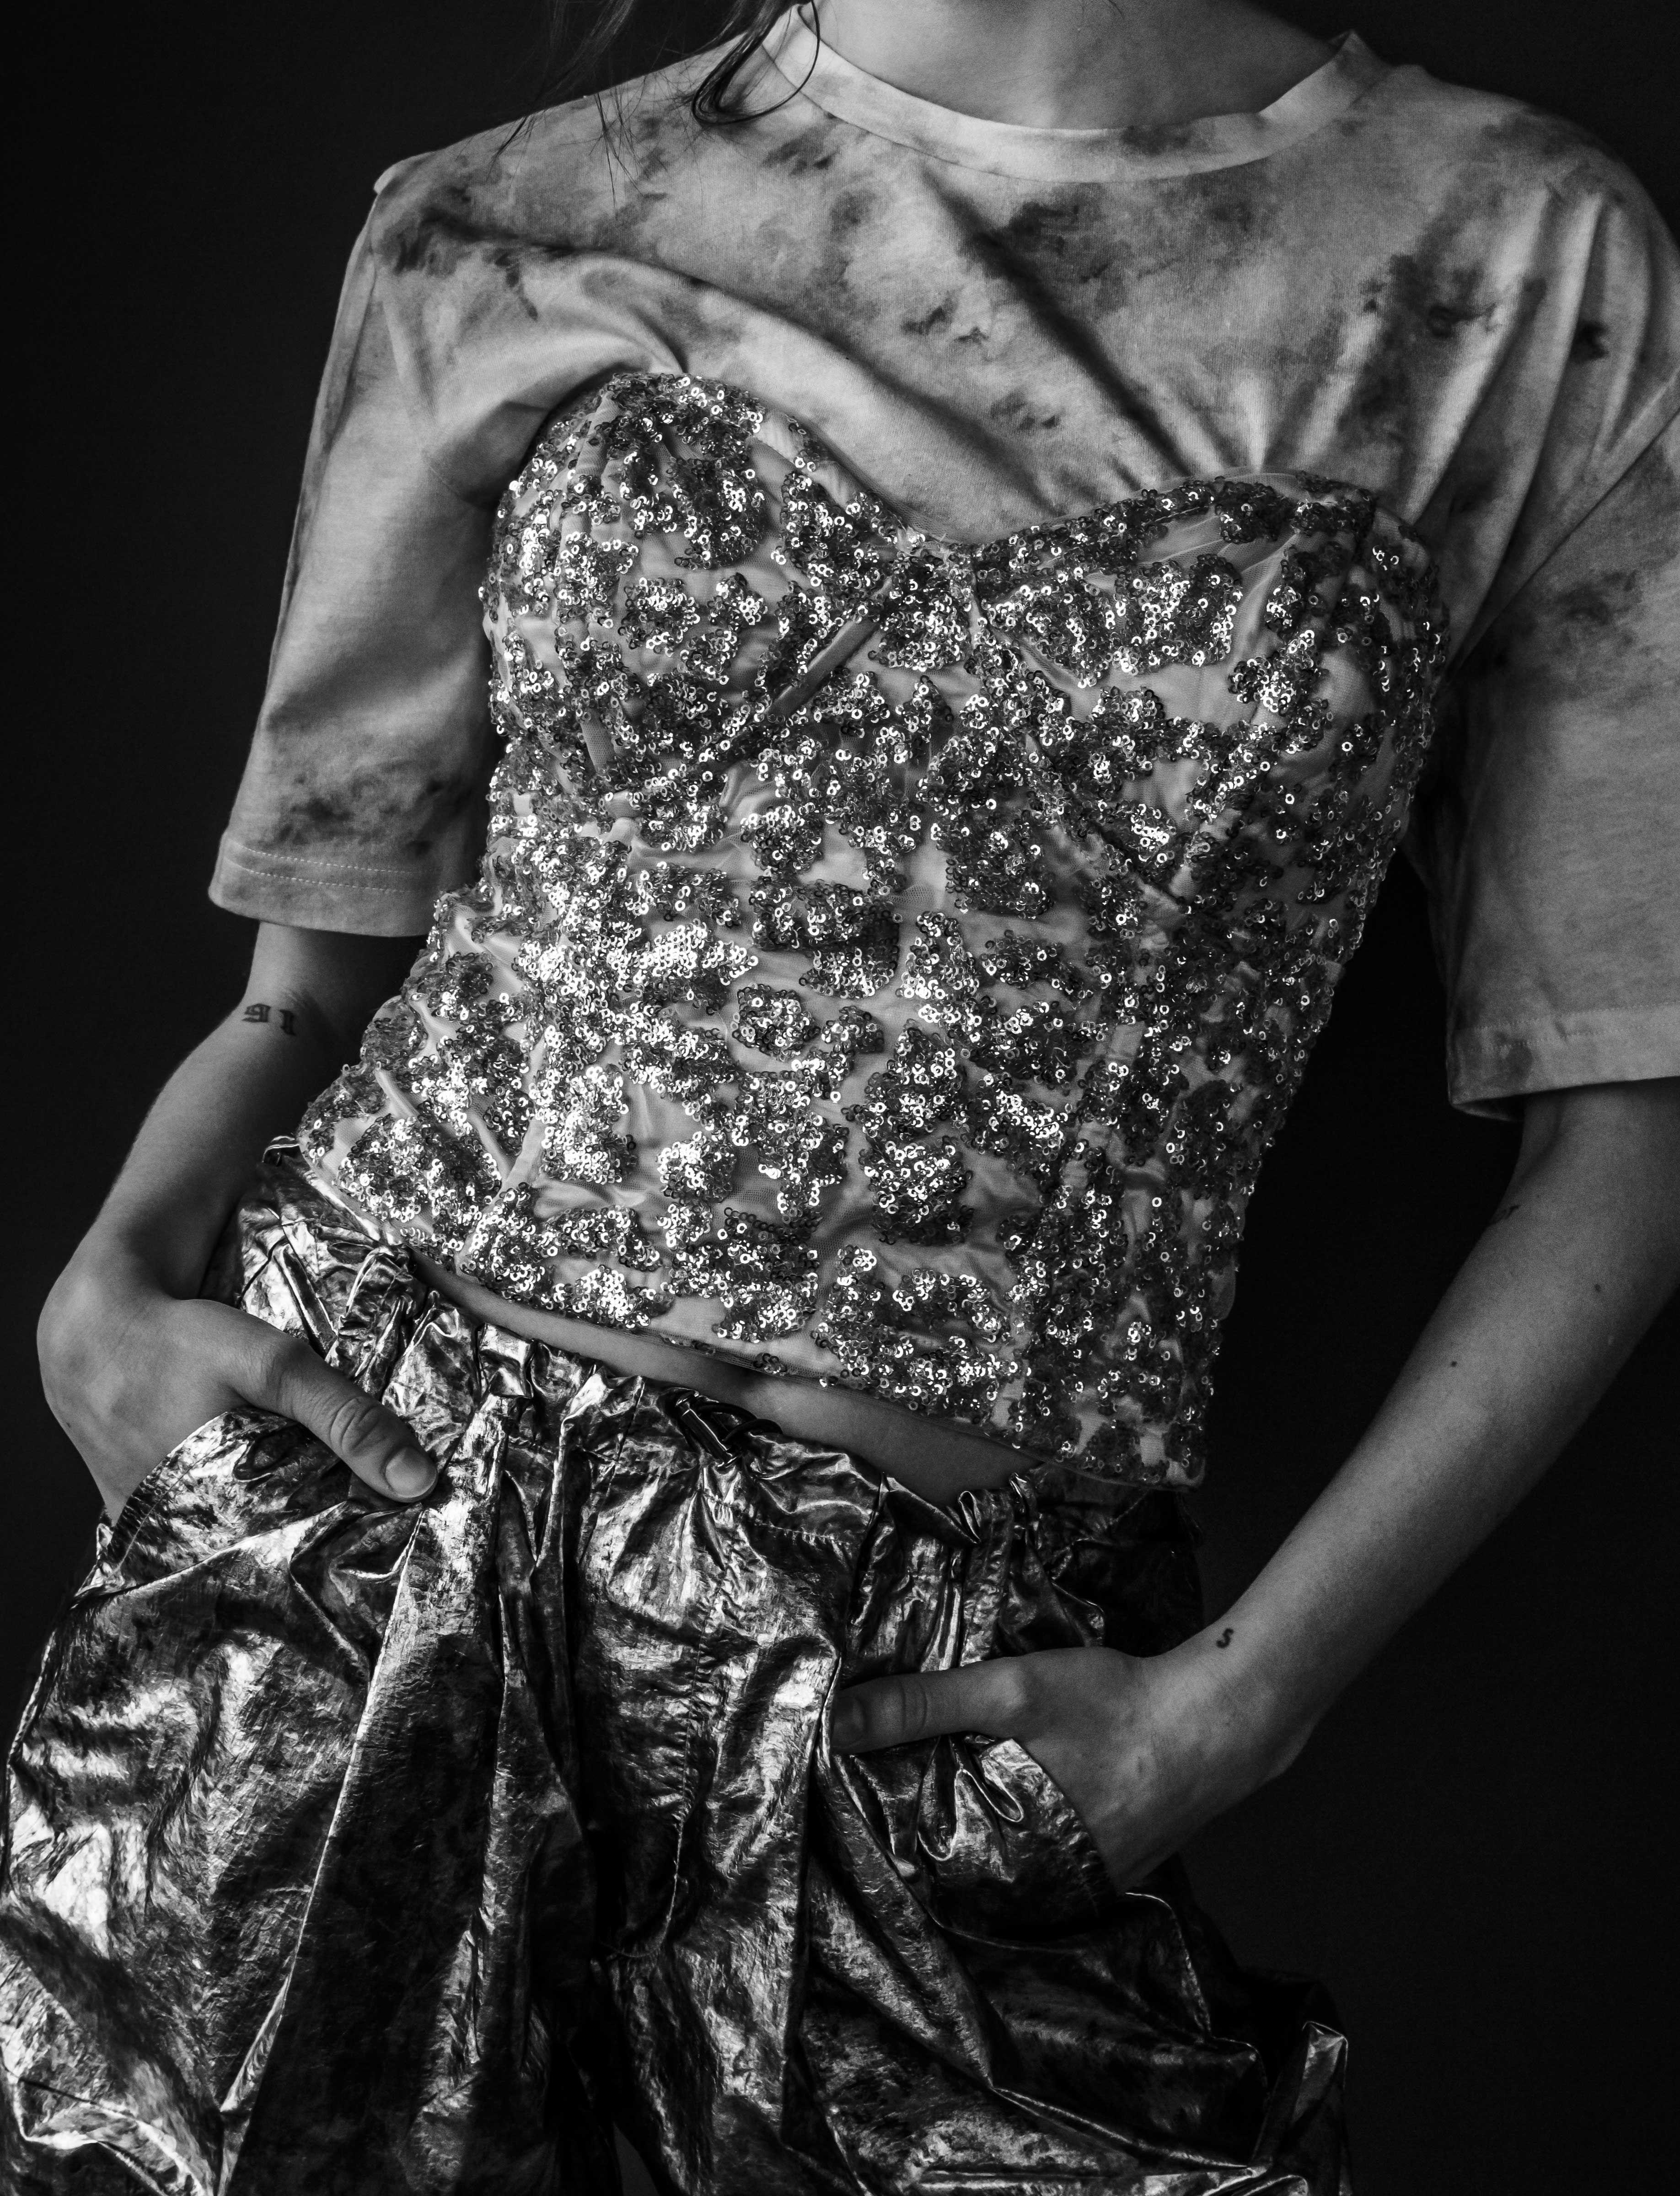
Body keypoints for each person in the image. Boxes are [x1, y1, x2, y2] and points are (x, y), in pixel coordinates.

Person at [4, 1, 1677, 2188]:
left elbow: (1627, 1126)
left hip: (938, 1691)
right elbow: (313, 983)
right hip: (366, 1555)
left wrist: (1243, 1701)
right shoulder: (503, 218)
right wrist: (109, 1285)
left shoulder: (1521, 262)